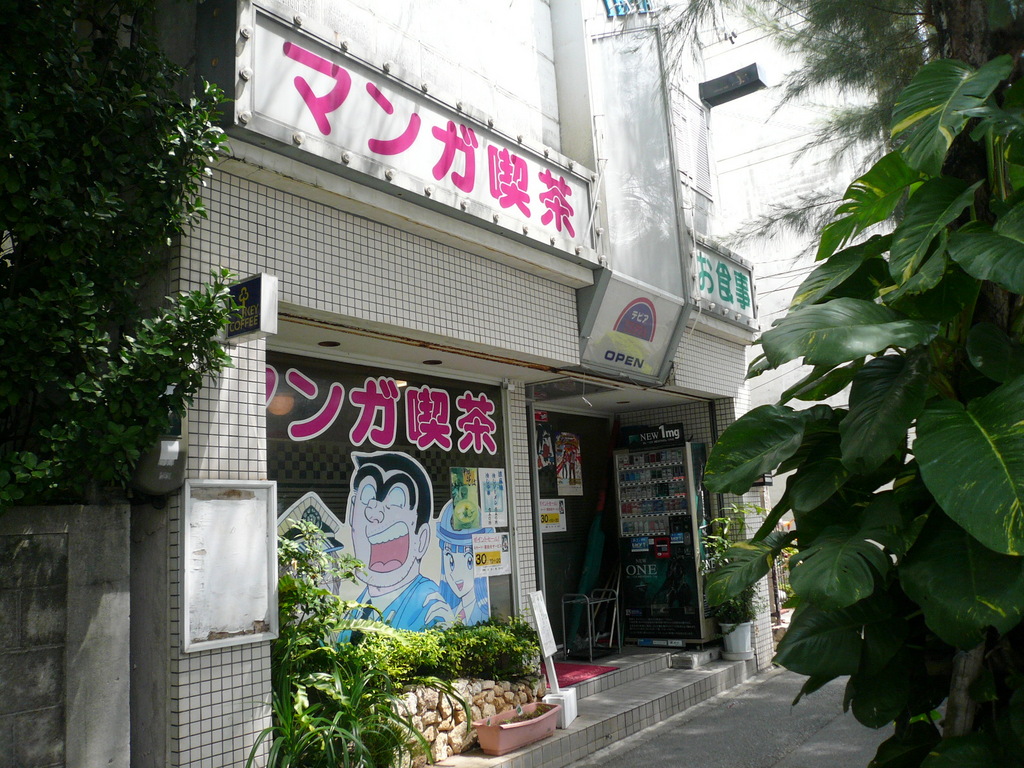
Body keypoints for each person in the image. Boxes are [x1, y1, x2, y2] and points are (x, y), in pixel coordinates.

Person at [344, 451, 453, 630]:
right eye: (367, 497)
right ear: (351, 513)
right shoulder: (355, 610)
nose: (374, 514)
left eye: (396, 501)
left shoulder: (429, 610)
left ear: (422, 540)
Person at [436, 500, 491, 625]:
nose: (456, 574)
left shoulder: (485, 612)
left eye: (469, 561)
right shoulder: (448, 612)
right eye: (451, 562)